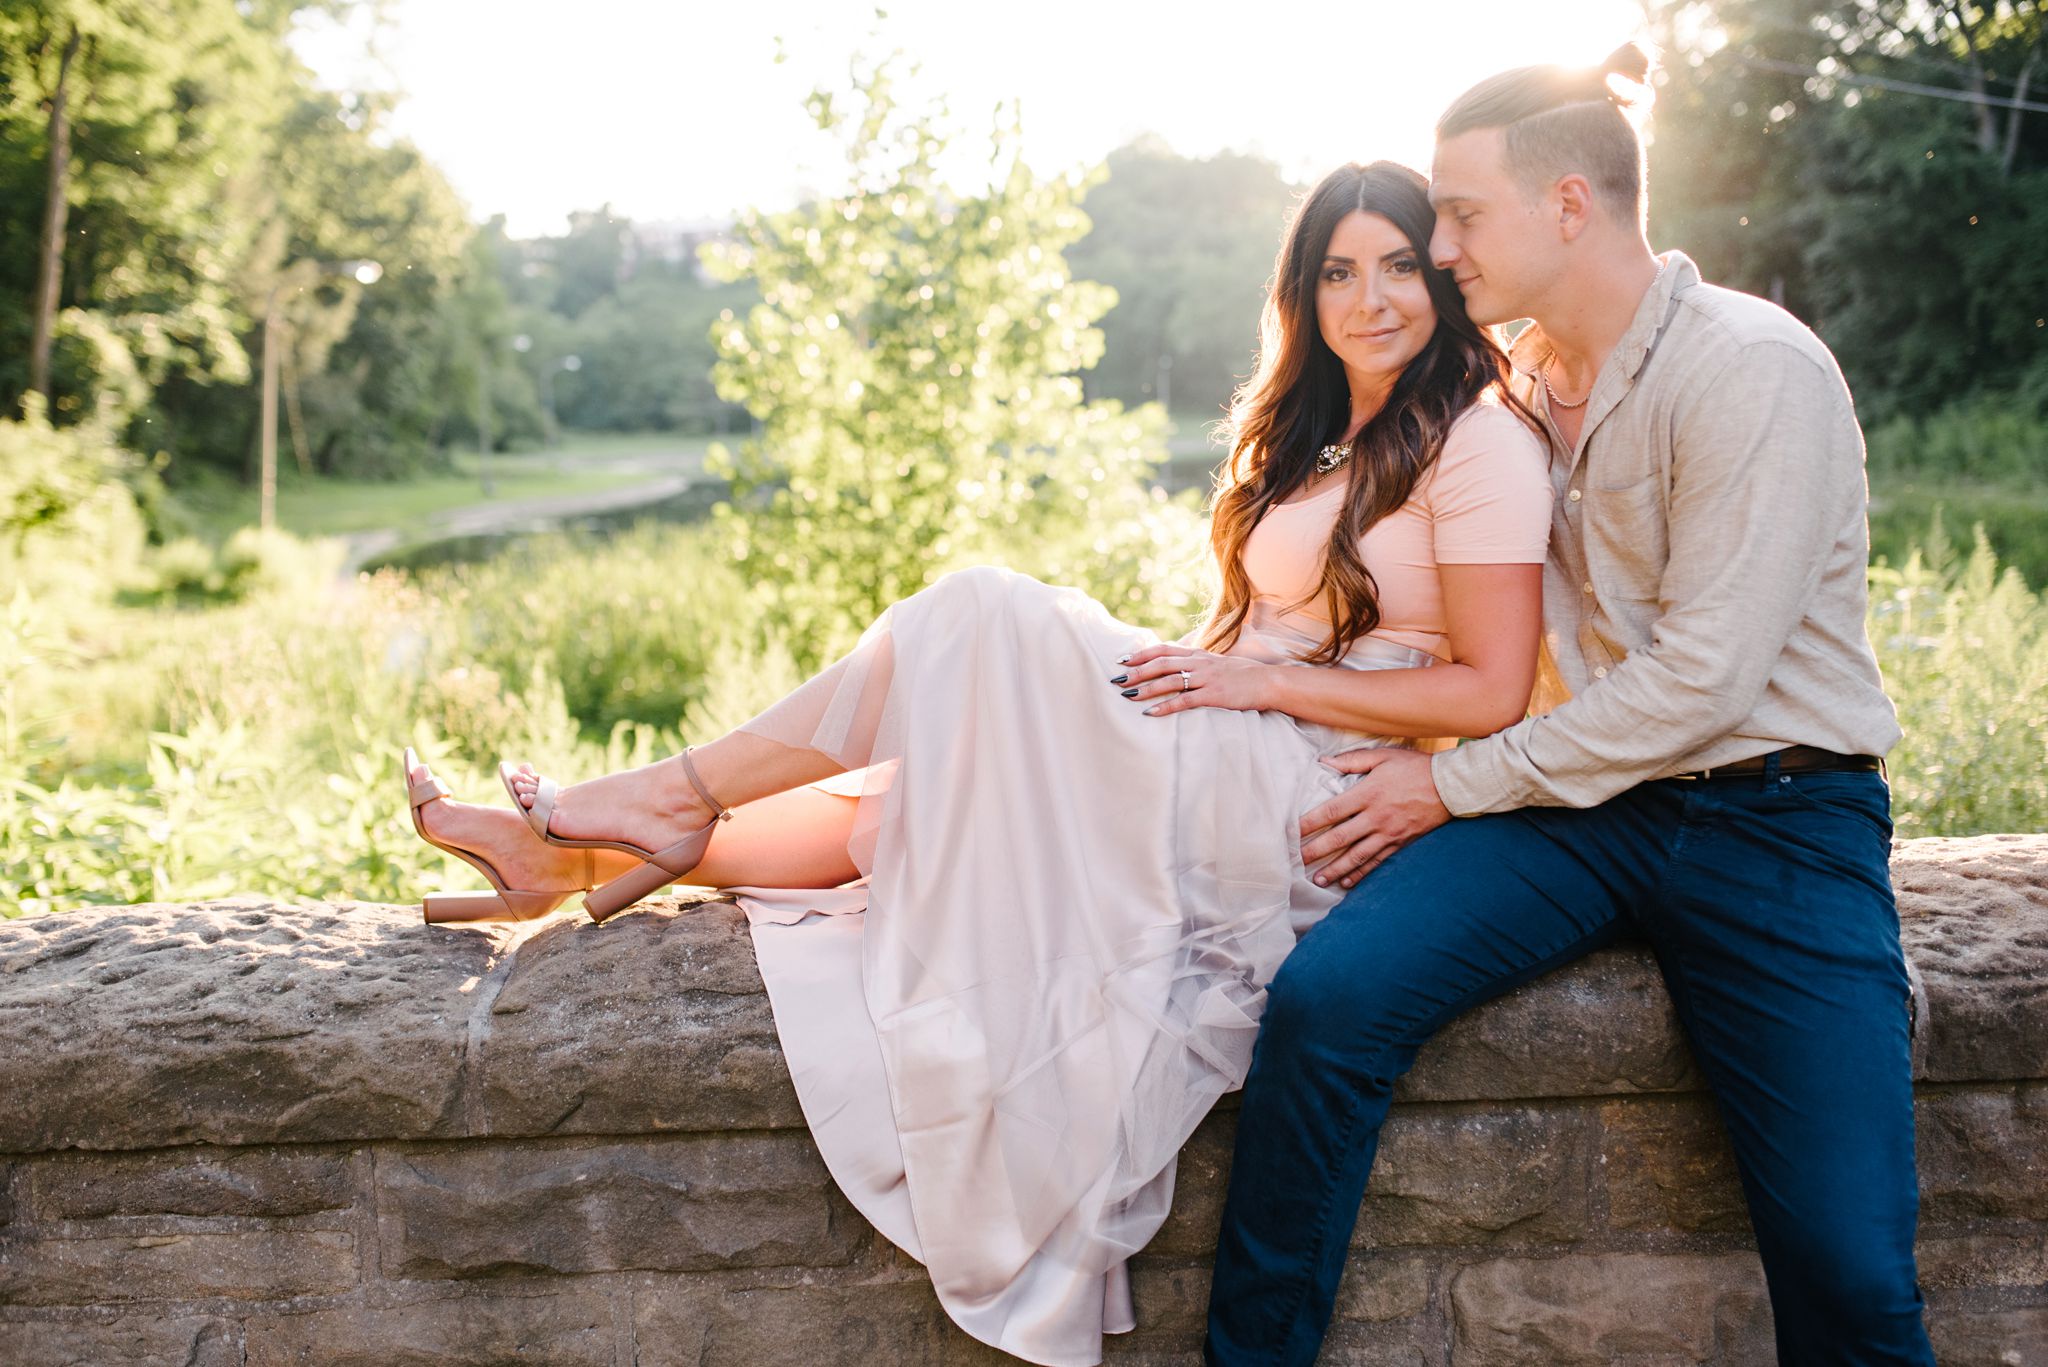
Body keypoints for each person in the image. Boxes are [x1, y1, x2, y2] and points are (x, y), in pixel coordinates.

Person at [401, 160, 1554, 1365]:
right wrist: (1211, 670)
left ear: (1444, 277)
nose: (1369, 298)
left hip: (1313, 794)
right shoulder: (1330, 429)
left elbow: (1489, 687)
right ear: (1302, 291)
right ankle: (576, 846)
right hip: (1239, 733)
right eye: (1336, 270)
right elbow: (1278, 625)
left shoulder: (1475, 439)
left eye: (1397, 266)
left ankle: (652, 809)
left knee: (978, 616)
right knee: (962, 753)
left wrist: (1254, 680)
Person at [1200, 46, 1936, 1366]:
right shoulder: (1515, 383)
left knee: (1851, 1262)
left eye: (1461, 214)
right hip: (1579, 805)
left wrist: (1445, 780)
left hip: (1780, 818)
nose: (1436, 244)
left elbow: (1702, 681)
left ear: (1571, 207)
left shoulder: (1752, 369)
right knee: (1327, 1004)